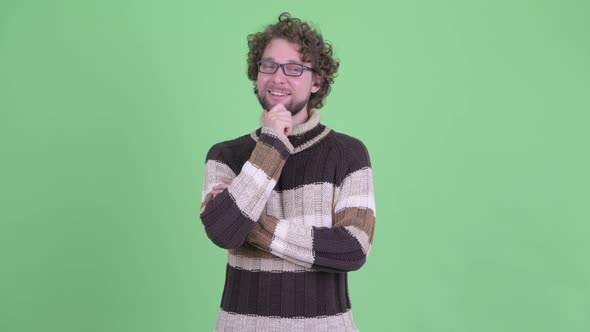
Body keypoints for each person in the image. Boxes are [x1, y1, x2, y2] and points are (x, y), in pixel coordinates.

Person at [199, 12, 375, 332]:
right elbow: (223, 233)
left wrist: (248, 222)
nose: (278, 78)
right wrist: (273, 145)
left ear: (316, 80)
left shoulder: (348, 154)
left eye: (294, 69)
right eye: (269, 66)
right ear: (257, 74)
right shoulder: (225, 155)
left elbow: (352, 248)